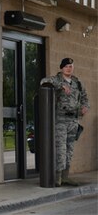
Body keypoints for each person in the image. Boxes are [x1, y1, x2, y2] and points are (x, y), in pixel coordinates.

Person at [41, 58, 90, 187]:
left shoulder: (77, 82)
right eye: (67, 66)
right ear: (62, 68)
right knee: (60, 149)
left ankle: (66, 177)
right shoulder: (56, 79)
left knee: (69, 150)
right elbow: (43, 82)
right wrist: (60, 85)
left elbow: (85, 98)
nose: (69, 68)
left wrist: (85, 107)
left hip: (73, 121)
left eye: (71, 66)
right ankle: (57, 177)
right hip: (60, 120)